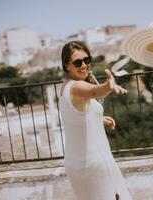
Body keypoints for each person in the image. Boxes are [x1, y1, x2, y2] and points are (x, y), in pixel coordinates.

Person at [59, 41, 133, 200]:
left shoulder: (65, 86)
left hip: (78, 163)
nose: (84, 65)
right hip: (93, 163)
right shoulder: (76, 87)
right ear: (67, 66)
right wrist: (109, 85)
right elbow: (95, 91)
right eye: (78, 62)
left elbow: (78, 116)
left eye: (87, 60)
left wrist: (98, 118)